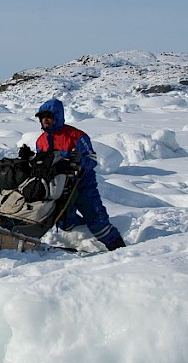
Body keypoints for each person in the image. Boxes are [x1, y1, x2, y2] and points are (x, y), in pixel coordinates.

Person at [28, 98, 126, 251]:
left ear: (57, 116)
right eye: (42, 116)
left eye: (49, 116)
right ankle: (84, 244)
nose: (45, 119)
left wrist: (79, 161)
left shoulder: (77, 136)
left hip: (83, 186)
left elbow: (92, 160)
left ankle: (121, 249)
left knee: (98, 221)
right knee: (64, 221)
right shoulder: (41, 141)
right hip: (59, 189)